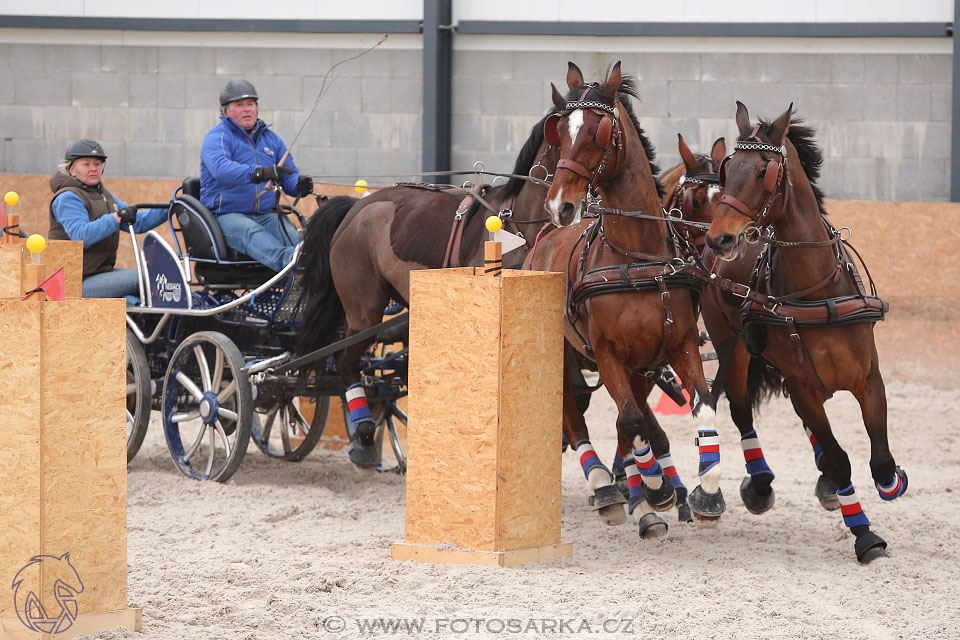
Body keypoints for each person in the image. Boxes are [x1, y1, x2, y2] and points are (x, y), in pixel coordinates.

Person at [199, 79, 313, 272]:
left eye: (250, 104)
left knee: (301, 247)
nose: (247, 110)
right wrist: (258, 172)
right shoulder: (217, 137)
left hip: (265, 214)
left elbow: (287, 176)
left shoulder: (272, 139)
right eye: (239, 105)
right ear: (225, 111)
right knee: (257, 236)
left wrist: (299, 185)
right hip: (227, 216)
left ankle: (301, 279)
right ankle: (292, 275)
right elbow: (221, 169)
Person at [49, 139, 167, 300]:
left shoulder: (103, 195)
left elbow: (138, 222)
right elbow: (81, 235)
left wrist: (171, 207)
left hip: (100, 272)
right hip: (75, 280)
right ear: (72, 169)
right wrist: (116, 217)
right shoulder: (68, 198)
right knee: (148, 279)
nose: (93, 169)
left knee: (153, 282)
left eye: (97, 164)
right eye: (86, 164)